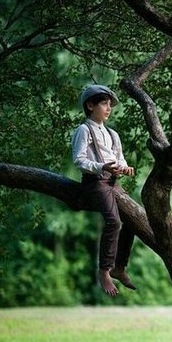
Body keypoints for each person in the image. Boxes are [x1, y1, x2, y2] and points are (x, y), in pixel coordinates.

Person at [72, 84, 137, 297]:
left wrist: (124, 167)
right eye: (104, 103)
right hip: (95, 182)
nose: (108, 108)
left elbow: (118, 157)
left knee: (134, 220)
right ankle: (104, 270)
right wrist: (101, 167)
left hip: (113, 182)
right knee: (113, 221)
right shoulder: (84, 129)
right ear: (90, 105)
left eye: (110, 104)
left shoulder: (112, 134)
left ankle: (120, 266)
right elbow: (79, 160)